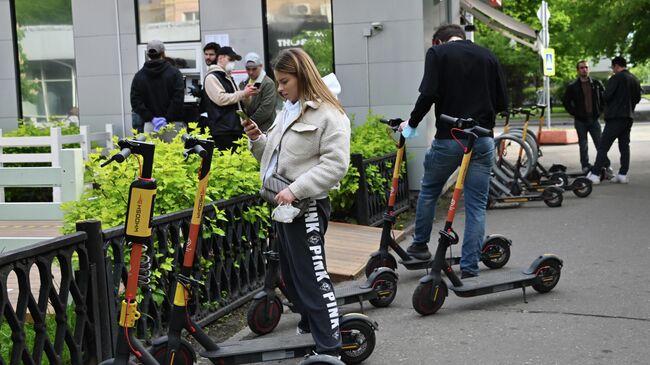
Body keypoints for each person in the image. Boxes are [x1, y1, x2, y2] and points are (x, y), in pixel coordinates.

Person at [243, 48, 351, 357]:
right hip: (286, 207)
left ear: (302, 76)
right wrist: (256, 139)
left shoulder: (330, 114)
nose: (279, 88)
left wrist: (296, 190)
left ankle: (330, 349)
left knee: (313, 279)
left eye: (284, 81)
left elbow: (335, 166)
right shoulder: (289, 110)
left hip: (307, 208)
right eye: (277, 82)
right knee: (292, 277)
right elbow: (274, 159)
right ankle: (309, 330)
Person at [398, 24, 507, 278]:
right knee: (476, 205)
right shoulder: (488, 55)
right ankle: (469, 267)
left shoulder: (438, 54)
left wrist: (411, 125)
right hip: (481, 139)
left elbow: (427, 95)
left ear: (438, 41)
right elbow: (502, 102)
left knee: (429, 191)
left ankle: (420, 245)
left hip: (450, 138)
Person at [587, 56, 642, 184]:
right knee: (624, 145)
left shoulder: (616, 78)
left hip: (615, 117)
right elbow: (638, 98)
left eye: (613, 67)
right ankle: (622, 174)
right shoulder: (634, 79)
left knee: (603, 145)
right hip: (628, 116)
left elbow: (606, 95)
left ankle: (595, 175)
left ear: (616, 66)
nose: (613, 70)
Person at [202, 45, 257, 150]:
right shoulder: (212, 77)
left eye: (234, 60)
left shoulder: (228, 77)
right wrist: (243, 93)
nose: (233, 63)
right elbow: (220, 99)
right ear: (221, 58)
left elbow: (238, 101)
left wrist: (246, 94)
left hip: (235, 128)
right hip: (223, 130)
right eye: (230, 59)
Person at [562, 60, 608, 173]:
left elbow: (604, 98)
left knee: (600, 144)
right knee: (583, 145)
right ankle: (585, 166)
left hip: (594, 119)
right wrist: (574, 113)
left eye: (586, 67)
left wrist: (600, 111)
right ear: (578, 70)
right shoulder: (572, 86)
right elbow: (566, 102)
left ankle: (606, 166)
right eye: (582, 68)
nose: (584, 70)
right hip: (580, 120)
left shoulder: (597, 84)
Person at [130, 40, 184, 134]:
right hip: (172, 125)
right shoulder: (175, 73)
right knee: (173, 149)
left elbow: (135, 101)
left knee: (151, 149)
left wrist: (151, 118)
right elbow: (178, 99)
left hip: (150, 125)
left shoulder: (139, 76)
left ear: (148, 54)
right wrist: (167, 118)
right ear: (163, 53)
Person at [238, 52, 277, 132]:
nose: (251, 72)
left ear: (261, 66)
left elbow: (266, 109)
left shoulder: (268, 83)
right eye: (248, 69)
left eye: (254, 69)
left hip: (265, 128)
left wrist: (249, 123)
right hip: (248, 129)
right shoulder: (243, 83)